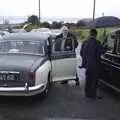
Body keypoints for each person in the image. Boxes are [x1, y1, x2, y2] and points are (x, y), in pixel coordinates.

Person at [80, 29, 104, 99]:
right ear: (96, 35)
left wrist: (86, 61)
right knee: (94, 81)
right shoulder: (97, 43)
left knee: (88, 80)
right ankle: (93, 95)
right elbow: (101, 52)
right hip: (95, 65)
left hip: (87, 65)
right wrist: (104, 47)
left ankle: (87, 94)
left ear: (90, 34)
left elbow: (81, 53)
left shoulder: (84, 42)